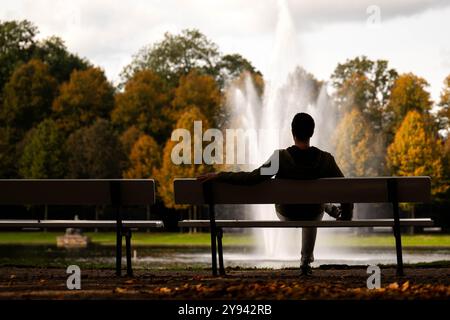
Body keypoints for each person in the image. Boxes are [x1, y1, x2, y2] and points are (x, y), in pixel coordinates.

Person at [197, 112, 353, 276]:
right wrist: (347, 214)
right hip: (313, 213)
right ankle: (305, 261)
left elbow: (251, 178)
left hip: (286, 213)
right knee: (313, 209)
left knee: (311, 206)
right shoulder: (326, 159)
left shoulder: (280, 158)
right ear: (312, 132)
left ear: (292, 133)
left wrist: (220, 176)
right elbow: (344, 189)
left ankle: (323, 208)